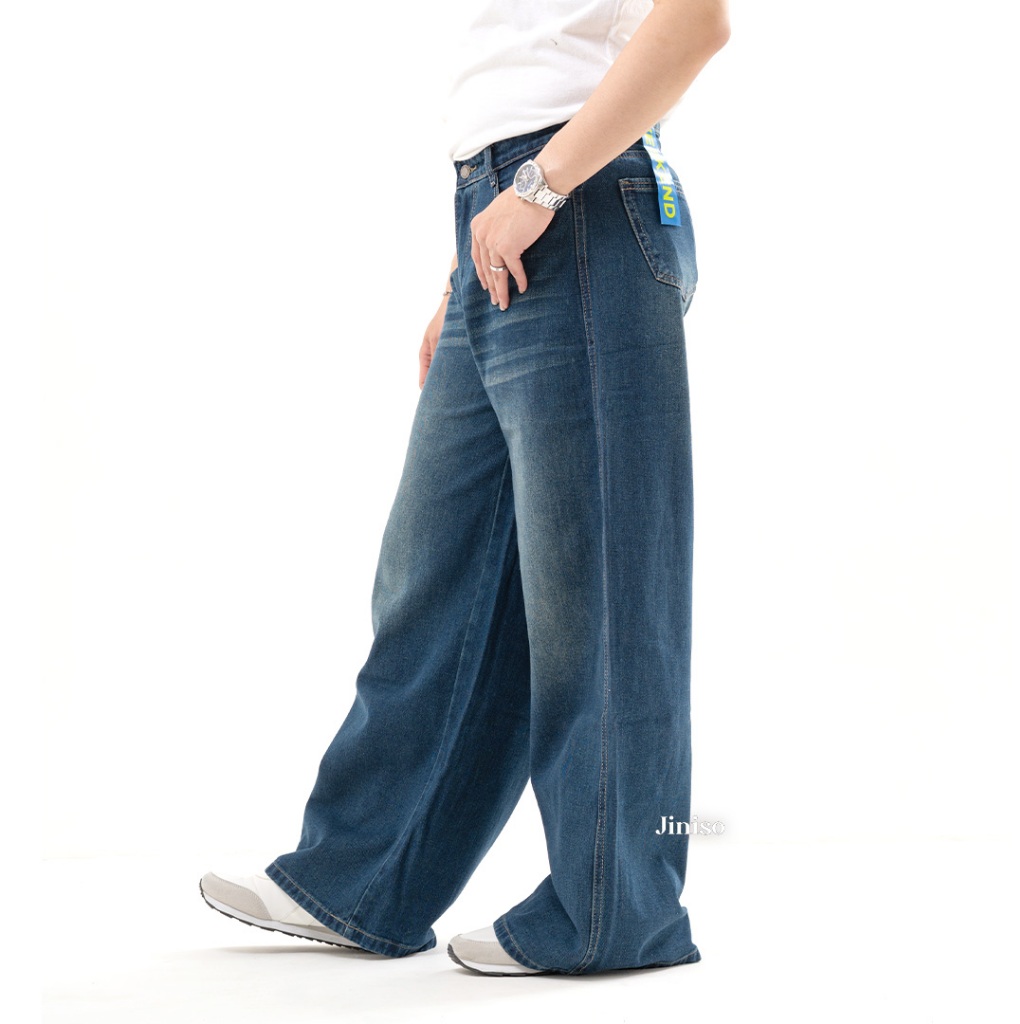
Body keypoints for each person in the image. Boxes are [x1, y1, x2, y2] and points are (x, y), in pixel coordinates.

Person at [200, 0, 730, 977]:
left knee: (600, 597)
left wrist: (540, 183)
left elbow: (696, 23)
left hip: (575, 201)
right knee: (440, 577)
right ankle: (365, 880)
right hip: (504, 217)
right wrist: (465, 264)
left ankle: (615, 909)